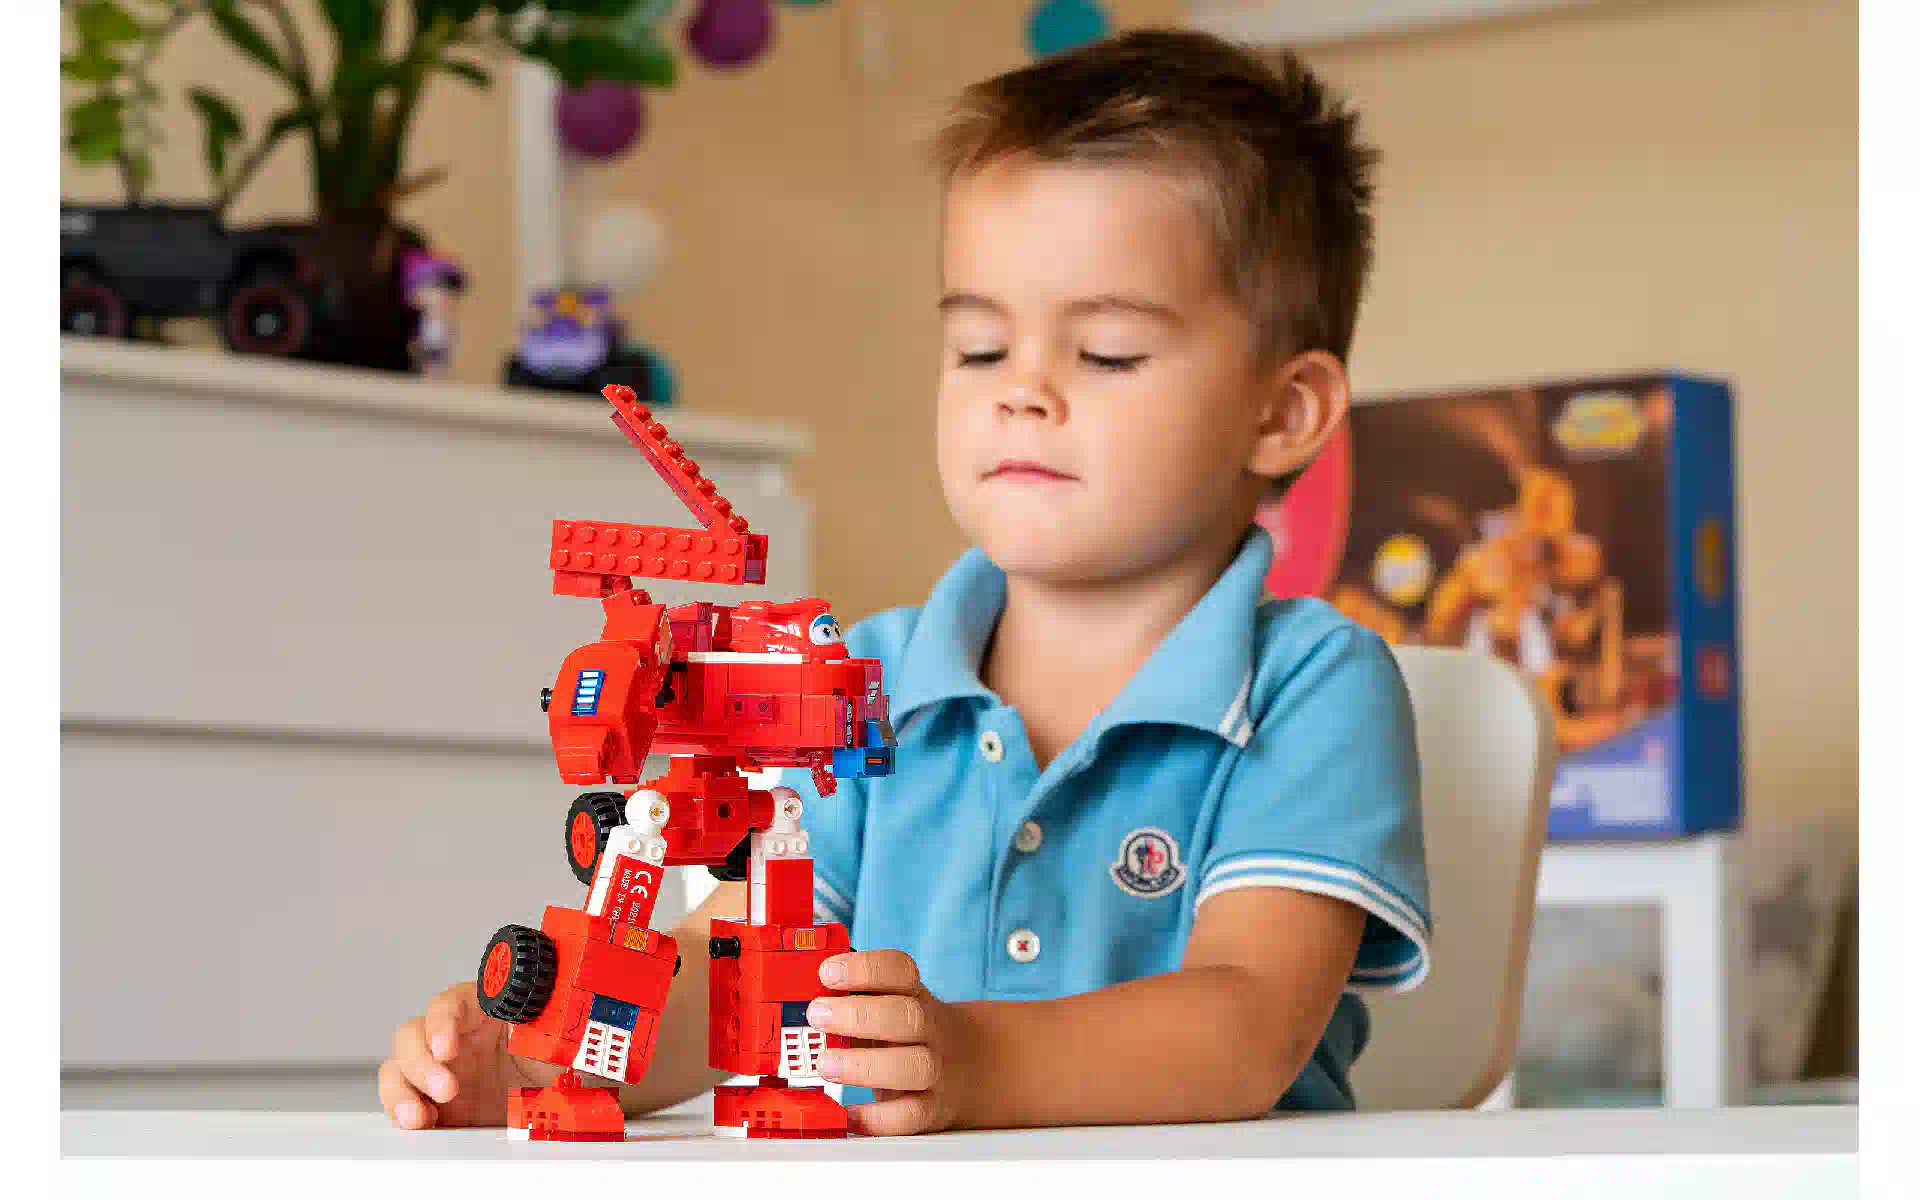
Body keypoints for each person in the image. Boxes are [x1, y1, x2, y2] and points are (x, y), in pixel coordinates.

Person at [379, 27, 1429, 1137]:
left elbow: (1247, 1026)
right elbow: (727, 981)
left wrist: (975, 1064)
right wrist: (545, 1053)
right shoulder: (855, 682)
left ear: (1283, 412)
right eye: (979, 349)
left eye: (1106, 353)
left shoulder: (1314, 687)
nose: (1021, 391)